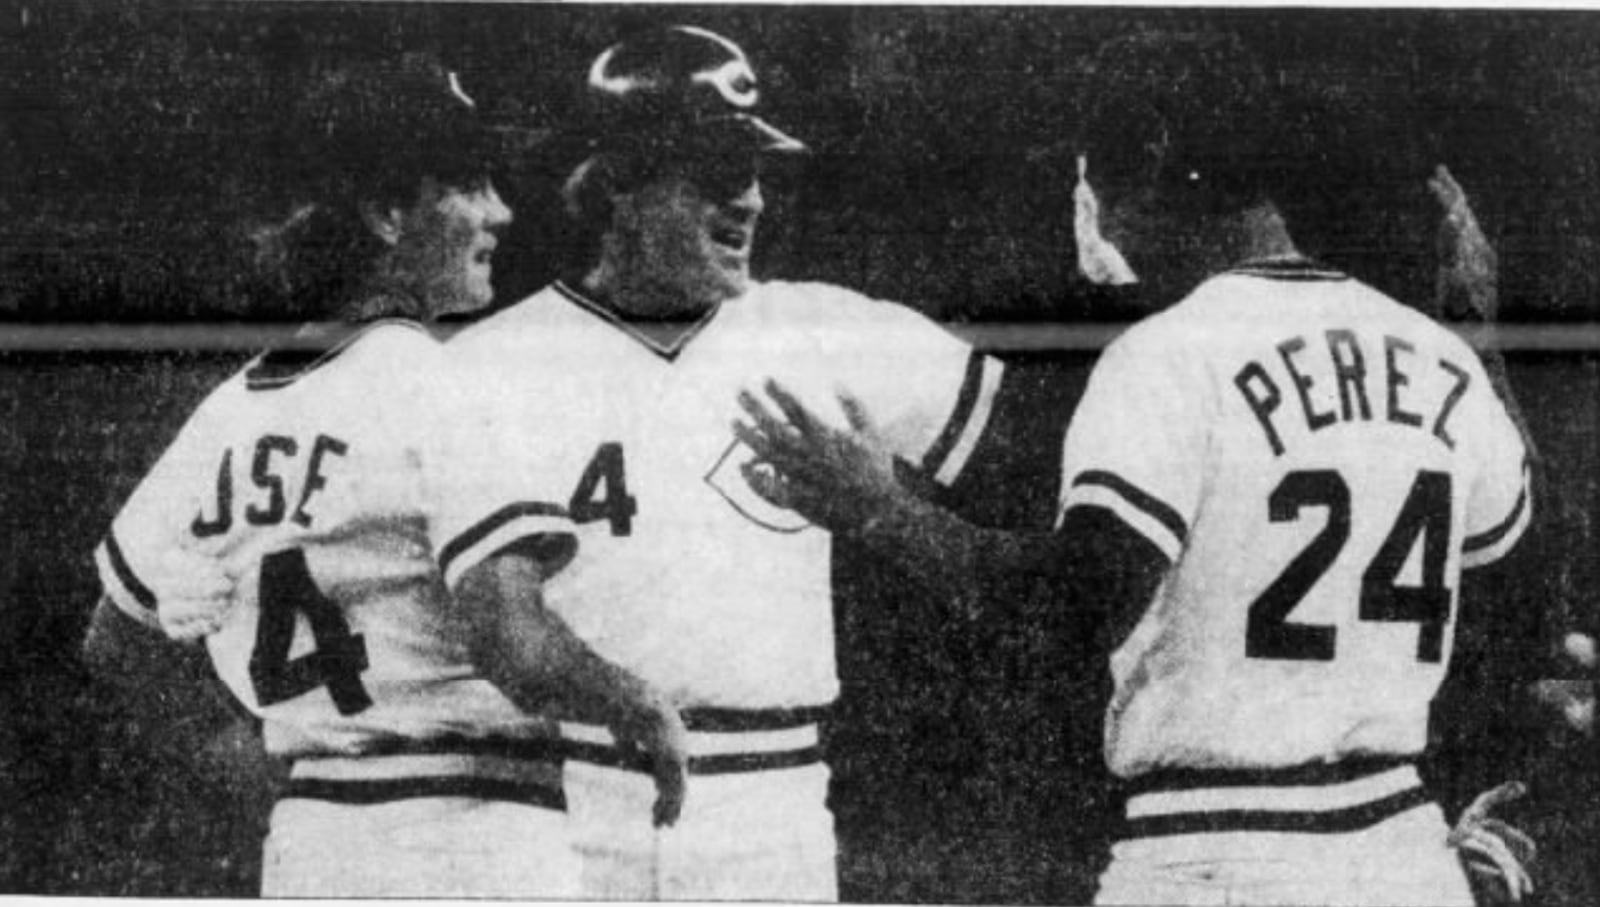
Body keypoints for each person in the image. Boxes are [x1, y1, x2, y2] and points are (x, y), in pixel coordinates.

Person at [737, 30, 1536, 907]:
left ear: (1151, 155)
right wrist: (1482, 340)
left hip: (1216, 854)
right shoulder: (1438, 354)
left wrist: (876, 510)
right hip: (1402, 847)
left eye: (1092, 178)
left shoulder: (1165, 353)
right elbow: (1520, 590)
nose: (1091, 212)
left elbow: (1065, 611)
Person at [81, 54, 683, 898]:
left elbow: (117, 642)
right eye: (470, 184)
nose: (501, 213)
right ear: (386, 211)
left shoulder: (227, 412)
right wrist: (635, 701)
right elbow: (512, 640)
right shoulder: (443, 384)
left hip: (311, 839)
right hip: (471, 840)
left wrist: (281, 781)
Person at [443, 24, 1009, 901]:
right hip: (571, 800)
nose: (749, 199)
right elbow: (480, 623)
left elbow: (1056, 458)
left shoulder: (824, 328)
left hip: (775, 803)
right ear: (619, 179)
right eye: (715, 168)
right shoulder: (494, 361)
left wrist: (891, 512)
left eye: (754, 171)